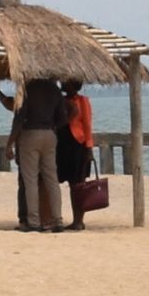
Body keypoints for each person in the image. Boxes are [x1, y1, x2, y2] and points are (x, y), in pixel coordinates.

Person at [8, 75, 67, 232]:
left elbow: (19, 119)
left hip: (30, 134)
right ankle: (58, 220)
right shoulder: (55, 90)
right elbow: (63, 119)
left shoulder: (26, 90)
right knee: (51, 179)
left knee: (30, 180)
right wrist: (51, 126)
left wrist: (10, 144)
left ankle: (33, 222)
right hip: (49, 134)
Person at [57, 80, 98, 230]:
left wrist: (89, 148)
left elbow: (87, 125)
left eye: (65, 82)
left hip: (77, 145)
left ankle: (78, 220)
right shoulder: (60, 100)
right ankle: (75, 220)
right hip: (62, 145)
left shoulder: (82, 101)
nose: (62, 84)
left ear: (73, 85)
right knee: (70, 182)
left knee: (78, 184)